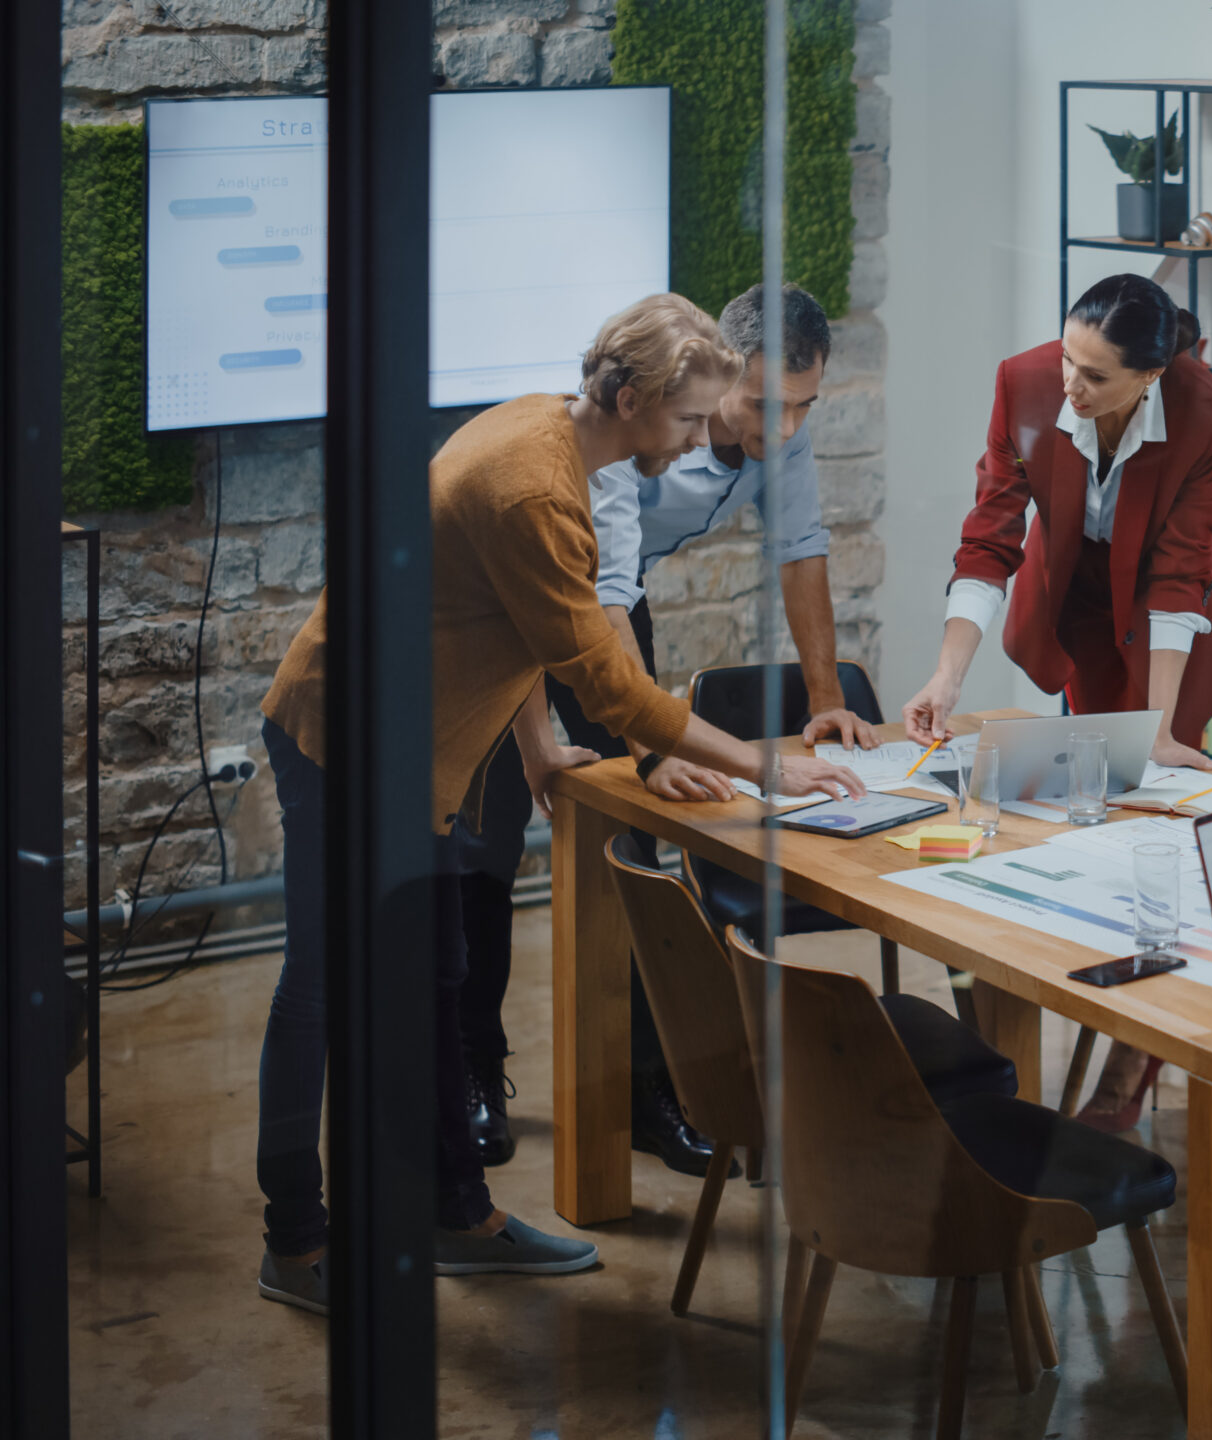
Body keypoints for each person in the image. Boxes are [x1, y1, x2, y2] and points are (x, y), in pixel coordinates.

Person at [252, 294, 863, 1315]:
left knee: (440, 974)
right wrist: (769, 767)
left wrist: (539, 744)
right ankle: (296, 1242)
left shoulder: (550, 429)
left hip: (423, 746)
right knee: (321, 991)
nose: (692, 442)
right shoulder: (541, 489)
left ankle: (457, 1215)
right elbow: (608, 678)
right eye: (680, 421)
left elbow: (506, 622)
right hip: (349, 740)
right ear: (629, 399)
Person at [452, 282, 876, 1178]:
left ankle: (649, 1091)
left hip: (616, 604)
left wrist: (827, 697)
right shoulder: (616, 440)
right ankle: (473, 1076)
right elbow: (595, 606)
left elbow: (799, 551)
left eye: (803, 405)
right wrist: (649, 747)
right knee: (484, 848)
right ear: (716, 375)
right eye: (764, 404)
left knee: (634, 850)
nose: (785, 428)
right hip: (551, 599)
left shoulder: (779, 430)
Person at [901, 272, 1212, 1130]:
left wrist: (1161, 726)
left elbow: (1178, 567)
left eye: (1094, 377)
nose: (1070, 385)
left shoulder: (1204, 410)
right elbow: (990, 537)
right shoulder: (1025, 381)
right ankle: (1089, 1001)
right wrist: (947, 677)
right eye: (1068, 358)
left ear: (1151, 377)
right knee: (1096, 806)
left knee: (1165, 815)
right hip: (1081, 606)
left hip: (1170, 622)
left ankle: (1131, 1070)